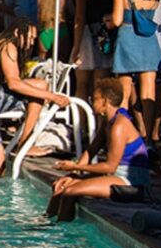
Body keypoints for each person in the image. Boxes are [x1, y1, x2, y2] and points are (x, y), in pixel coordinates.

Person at [0, 20, 69, 180]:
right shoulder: (7, 45)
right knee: (40, 86)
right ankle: (25, 144)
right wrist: (52, 96)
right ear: (17, 33)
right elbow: (14, 83)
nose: (31, 42)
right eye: (30, 37)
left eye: (34, 39)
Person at [45, 76, 151, 221]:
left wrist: (74, 166)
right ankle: (46, 223)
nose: (91, 101)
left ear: (105, 101)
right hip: (116, 176)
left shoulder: (119, 126)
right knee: (60, 186)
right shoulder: (108, 123)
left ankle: (61, 231)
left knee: (70, 191)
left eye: (94, 99)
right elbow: (91, 150)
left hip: (132, 183)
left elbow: (109, 167)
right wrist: (73, 174)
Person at [109, 0, 161, 143]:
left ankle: (123, 137)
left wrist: (107, 18)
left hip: (127, 39)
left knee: (123, 93)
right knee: (148, 93)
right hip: (149, 42)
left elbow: (117, 21)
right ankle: (148, 139)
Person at [70, 0, 115, 99]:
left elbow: (80, 17)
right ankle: (99, 113)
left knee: (82, 83)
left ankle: (82, 113)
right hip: (105, 36)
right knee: (101, 85)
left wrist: (76, 46)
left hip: (87, 35)